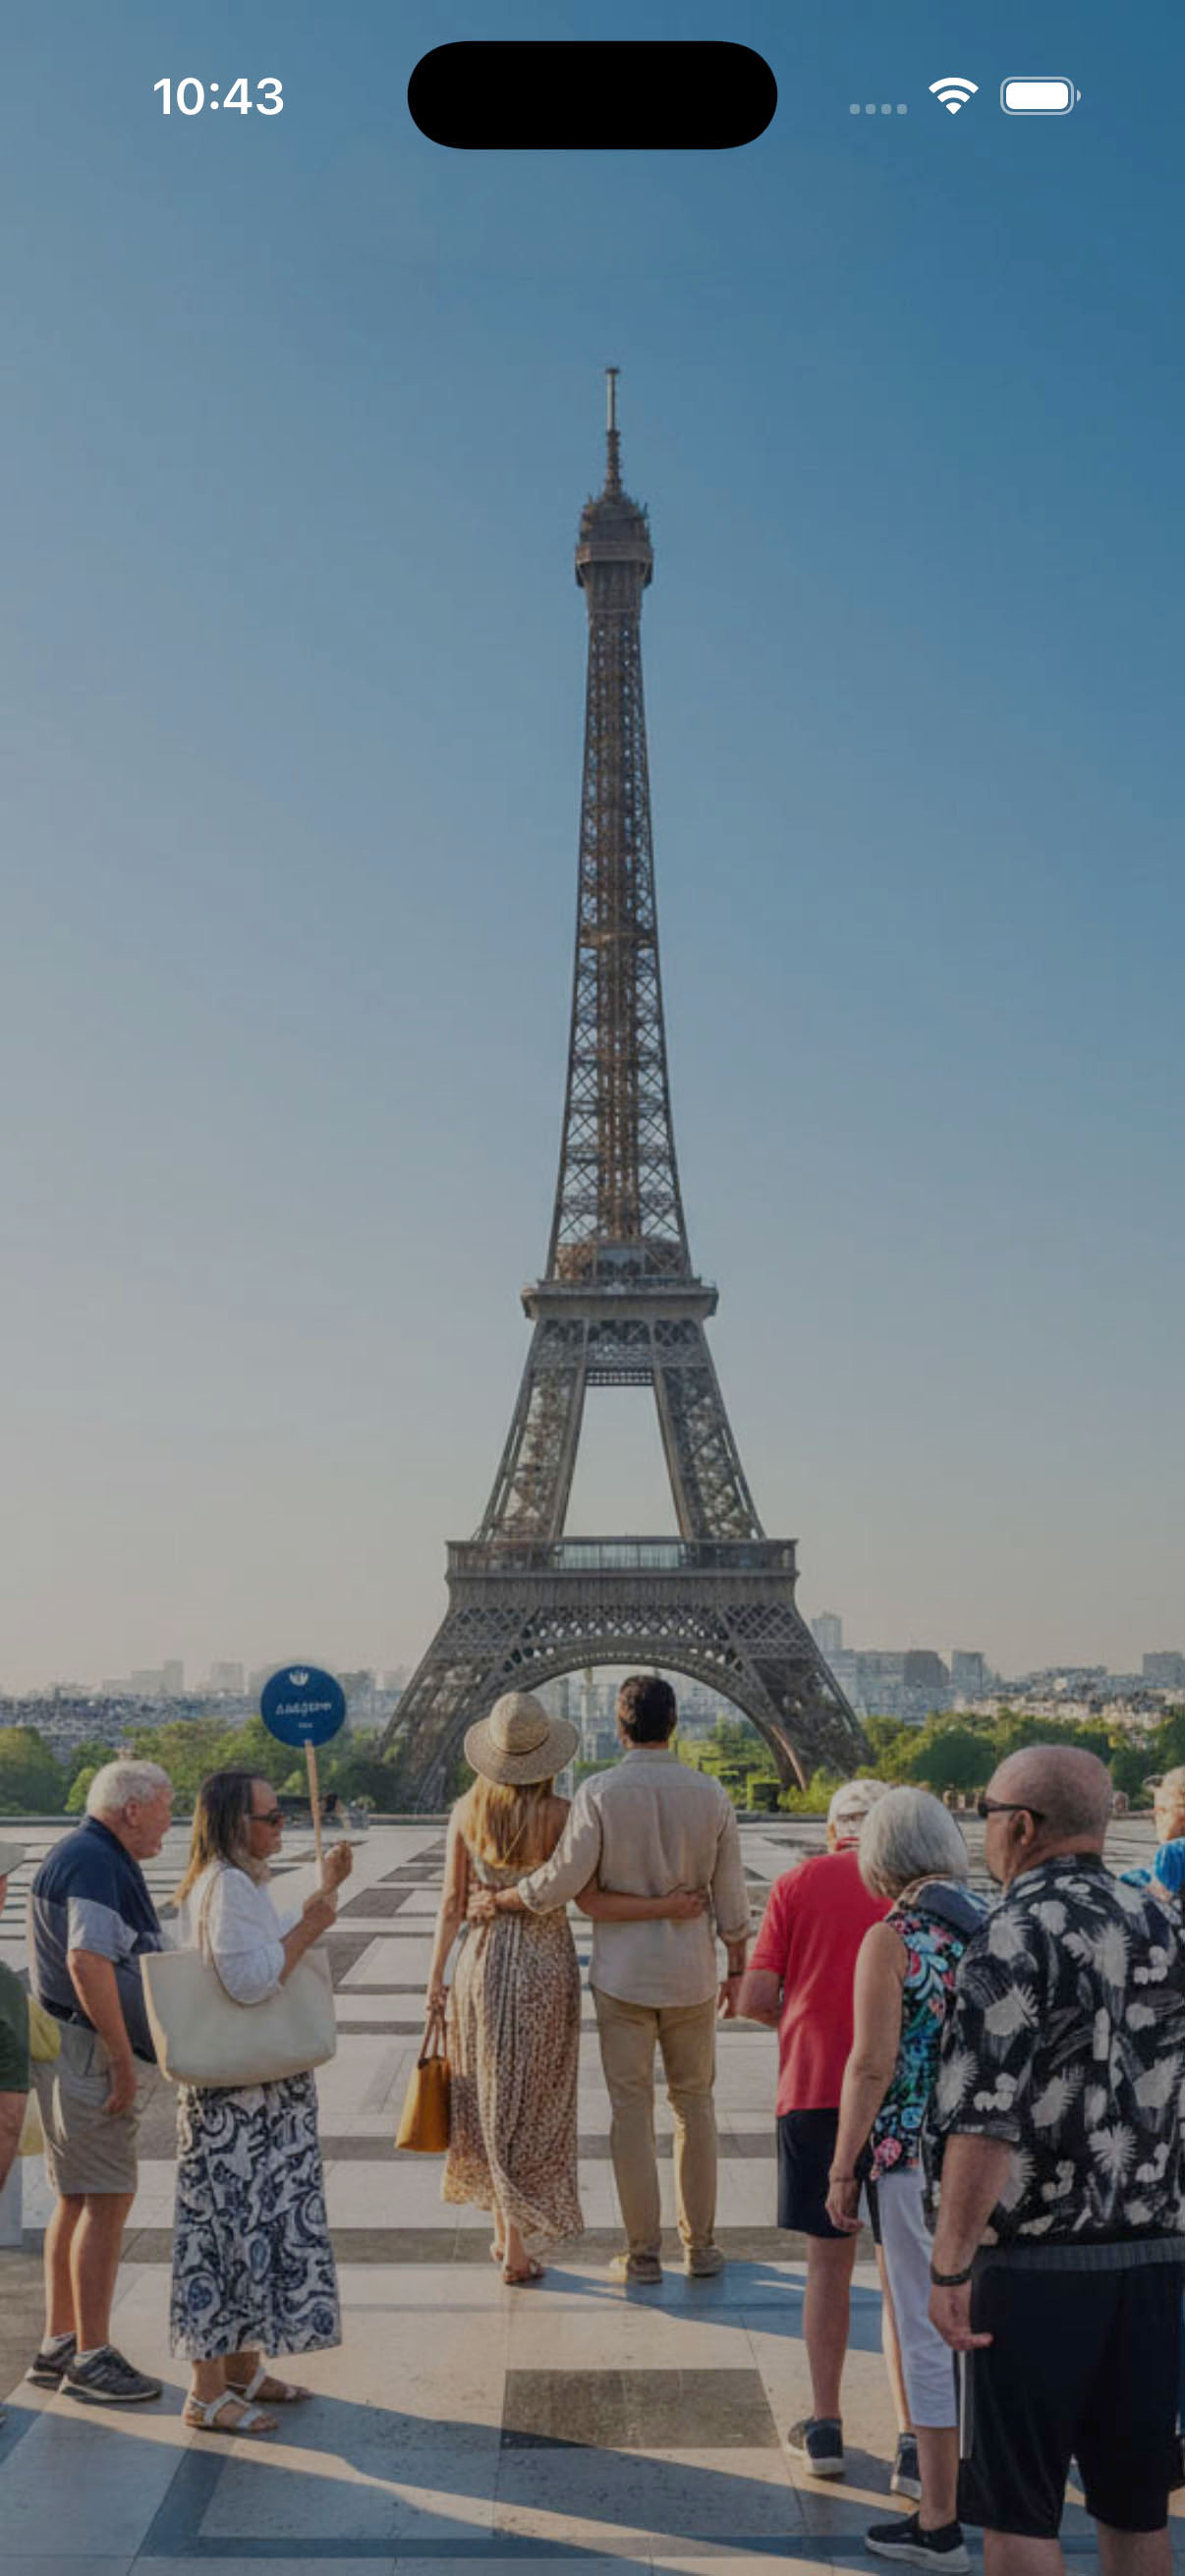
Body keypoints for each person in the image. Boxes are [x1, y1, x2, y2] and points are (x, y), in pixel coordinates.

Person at [926, 1745, 1185, 2576]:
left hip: (1035, 2268)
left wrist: (950, 2263)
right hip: (1154, 2261)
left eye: (988, 1814)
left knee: (1022, 2516)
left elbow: (984, 2121)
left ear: (1022, 1827)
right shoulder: (1167, 1922)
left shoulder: (1009, 1931)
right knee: (1138, 2512)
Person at [471, 1674, 750, 2283]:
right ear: (674, 1724)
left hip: (623, 1977)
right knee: (695, 2106)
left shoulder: (599, 1792)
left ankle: (643, 2253)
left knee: (630, 2111)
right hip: (692, 1976)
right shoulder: (711, 1794)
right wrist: (737, 1964)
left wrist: (506, 1898)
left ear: (621, 1727)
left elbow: (563, 1883)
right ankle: (700, 2247)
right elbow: (731, 1897)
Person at [739, 1777, 915, 2489]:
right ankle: (914, 2442)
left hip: (814, 2091)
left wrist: (806, 2018)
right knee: (904, 2275)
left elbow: (754, 1998)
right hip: (905, 2101)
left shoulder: (798, 1882)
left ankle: (826, 2426)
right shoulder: (912, 1895)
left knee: (827, 2267)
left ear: (831, 1828)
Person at [825, 1788, 985, 2570]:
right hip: (997, 2157)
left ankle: (941, 2518)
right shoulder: (990, 1924)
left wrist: (842, 2165)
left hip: (914, 2160)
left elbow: (871, 2065)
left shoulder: (894, 1938)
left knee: (925, 2330)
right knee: (983, 2320)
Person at [170, 1770, 350, 2437]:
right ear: (233, 1823)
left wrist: (322, 1891)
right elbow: (250, 1980)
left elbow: (265, 1938)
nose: (283, 1828)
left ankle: (242, 2370)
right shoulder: (227, 1885)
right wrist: (311, 1926)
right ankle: (206, 2391)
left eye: (284, 1817)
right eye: (273, 1819)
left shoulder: (239, 1883)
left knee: (251, 2233)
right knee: (225, 2238)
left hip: (253, 2095)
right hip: (237, 2105)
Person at [26, 1760, 172, 2405]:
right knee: (107, 2198)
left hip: (66, 2045)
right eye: (166, 1808)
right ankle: (91, 2355)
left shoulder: (80, 1851)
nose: (171, 1821)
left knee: (78, 2198)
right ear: (131, 1808)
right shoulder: (96, 1862)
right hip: (88, 2051)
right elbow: (87, 1961)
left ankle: (61, 2339)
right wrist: (120, 2055)